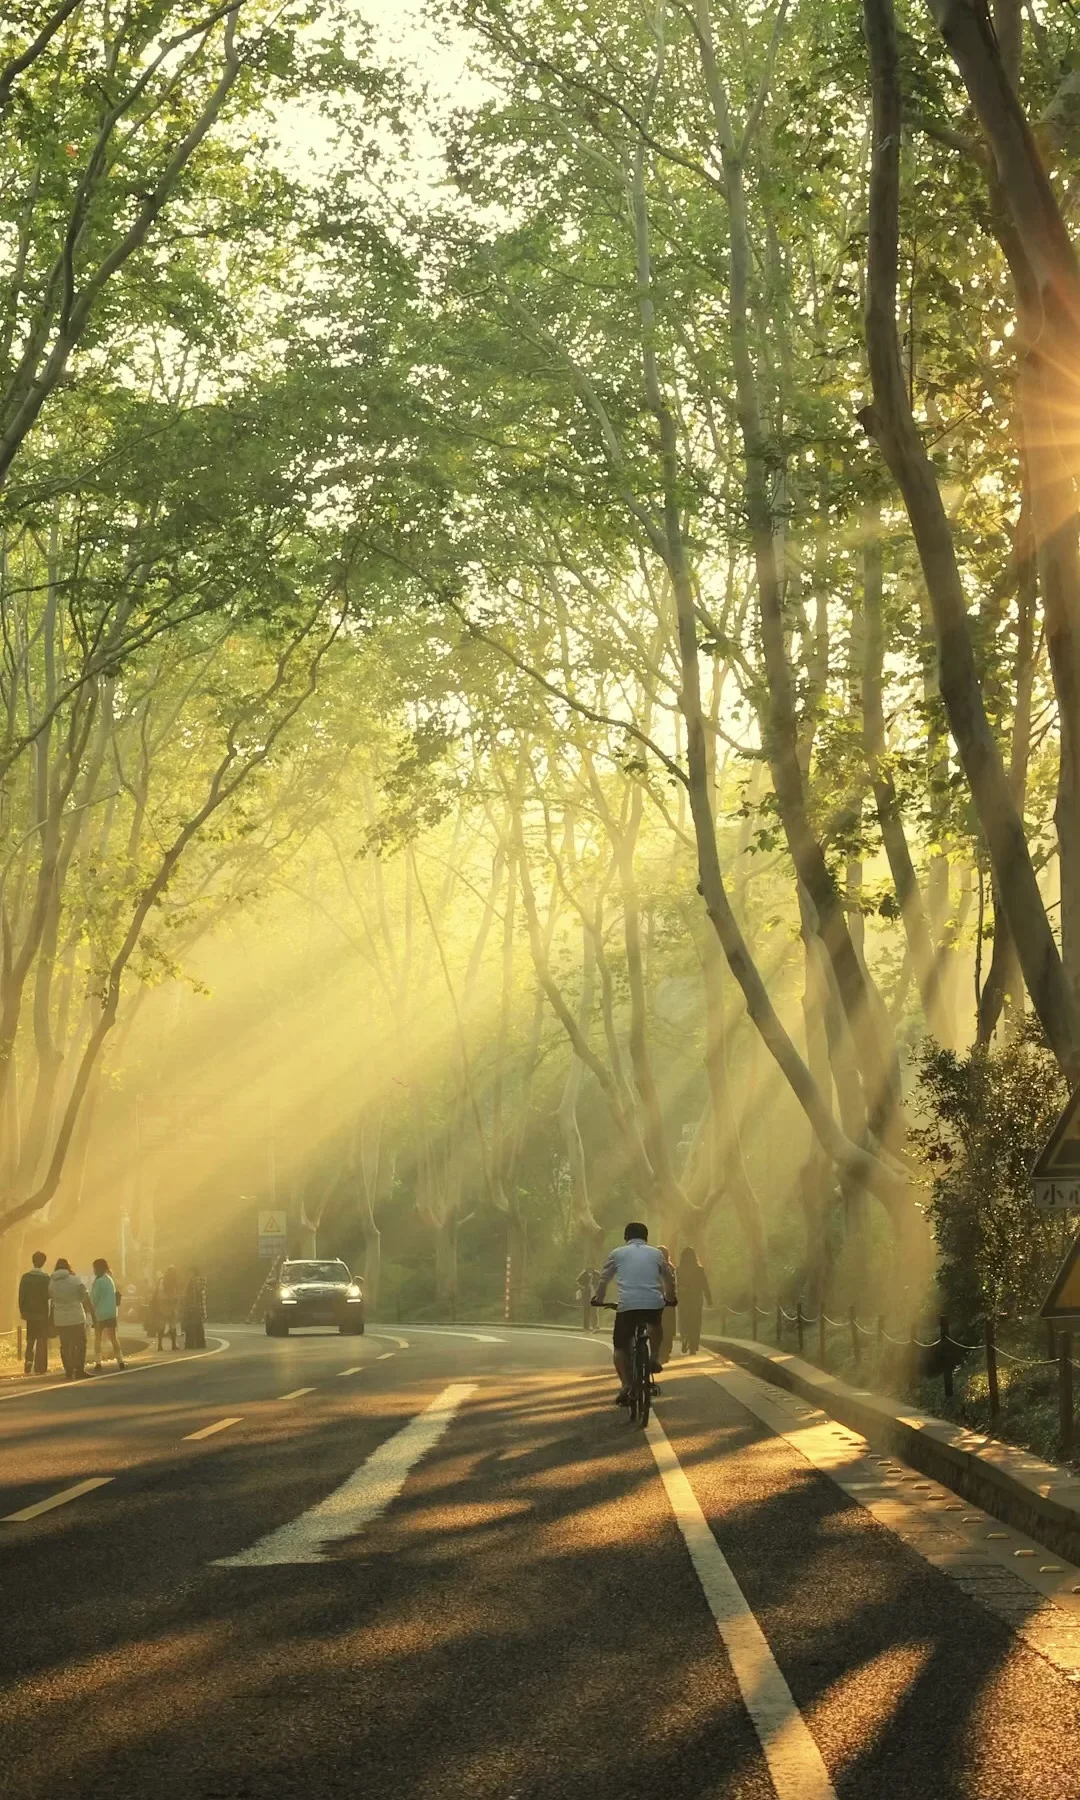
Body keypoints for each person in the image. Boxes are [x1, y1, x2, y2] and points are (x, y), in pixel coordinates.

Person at [591, 1222, 676, 1406]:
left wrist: (598, 1298)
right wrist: (671, 1298)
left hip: (627, 1305)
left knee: (620, 1348)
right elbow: (668, 1278)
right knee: (655, 1324)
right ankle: (654, 1357)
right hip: (653, 1303)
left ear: (626, 1237)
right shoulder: (656, 1253)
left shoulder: (617, 1253)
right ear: (646, 1237)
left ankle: (626, 1385)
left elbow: (604, 1278)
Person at [48, 1258, 95, 1380]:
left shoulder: (52, 1282)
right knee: (80, 1343)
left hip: (60, 1318)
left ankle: (68, 1371)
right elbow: (84, 1295)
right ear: (68, 1267)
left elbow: (51, 1296)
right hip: (76, 1316)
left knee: (65, 1344)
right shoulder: (75, 1279)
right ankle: (79, 1370)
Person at [89, 1259, 125, 1373]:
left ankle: (98, 1362)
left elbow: (94, 1298)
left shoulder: (98, 1281)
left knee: (98, 1338)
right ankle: (120, 1360)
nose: (94, 1270)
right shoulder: (110, 1279)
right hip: (111, 1313)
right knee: (113, 1337)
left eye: (94, 1268)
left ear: (98, 1268)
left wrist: (91, 1309)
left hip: (100, 1314)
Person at [18, 1250, 50, 1375]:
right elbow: (49, 1295)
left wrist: (23, 1310)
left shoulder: (26, 1277)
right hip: (42, 1313)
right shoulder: (46, 1278)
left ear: (33, 1261)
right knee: (41, 1339)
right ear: (44, 1262)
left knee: (30, 1338)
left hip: (30, 1313)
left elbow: (21, 1296)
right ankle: (40, 1366)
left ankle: (28, 1361)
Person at [677, 1245, 712, 1354]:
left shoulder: (679, 1269)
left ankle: (684, 1337)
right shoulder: (699, 1270)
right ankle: (693, 1345)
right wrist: (709, 1299)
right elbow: (705, 1285)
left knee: (683, 1320)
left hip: (683, 1300)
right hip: (696, 1300)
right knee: (695, 1322)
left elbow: (676, 1284)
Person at [657, 1245, 677, 1366]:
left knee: (662, 1326)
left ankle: (662, 1350)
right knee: (666, 1327)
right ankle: (665, 1350)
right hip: (666, 1301)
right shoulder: (671, 1267)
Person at [152, 1266, 180, 1350]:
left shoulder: (161, 1281)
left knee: (164, 1326)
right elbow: (176, 1294)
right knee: (170, 1326)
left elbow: (156, 1293)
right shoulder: (173, 1282)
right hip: (168, 1305)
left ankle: (161, 1345)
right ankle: (171, 1345)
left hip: (163, 1306)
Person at [182, 1267, 207, 1349]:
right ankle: (200, 1344)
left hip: (192, 1307)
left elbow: (188, 1295)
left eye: (190, 1272)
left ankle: (190, 1344)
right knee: (198, 1325)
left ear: (193, 1272)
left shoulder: (193, 1281)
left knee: (190, 1326)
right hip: (198, 1307)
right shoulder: (201, 1280)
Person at [576, 1265, 601, 1332]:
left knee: (594, 1310)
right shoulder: (584, 1273)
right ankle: (586, 1327)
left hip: (594, 1294)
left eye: (591, 1270)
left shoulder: (597, 1274)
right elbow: (577, 1281)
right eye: (588, 1270)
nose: (589, 1271)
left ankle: (595, 1326)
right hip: (586, 1295)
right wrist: (583, 1287)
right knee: (586, 1310)